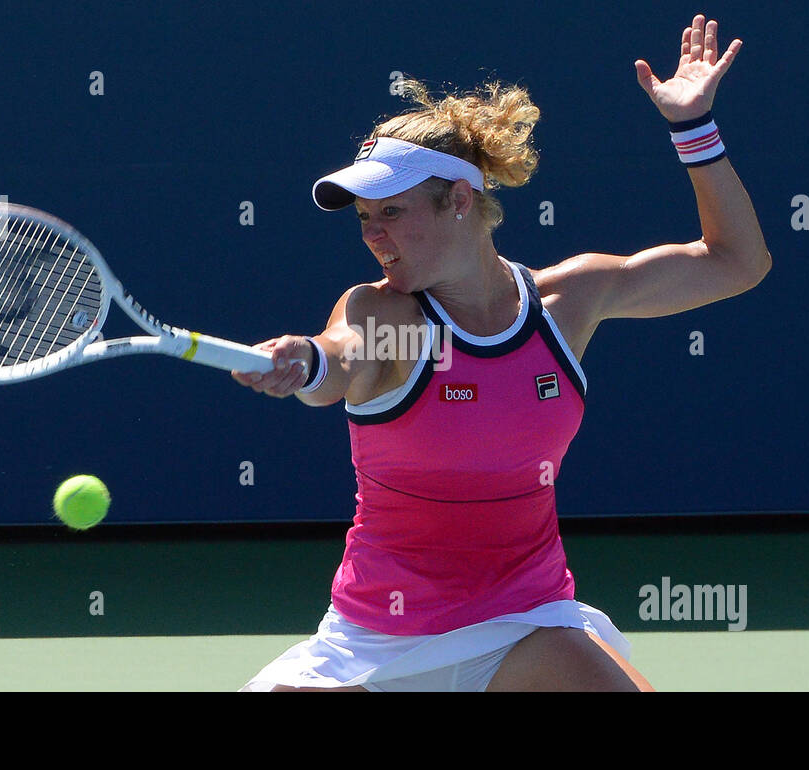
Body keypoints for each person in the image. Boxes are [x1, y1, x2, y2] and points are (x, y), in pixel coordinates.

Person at [234, 14, 769, 691]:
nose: (373, 235)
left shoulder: (569, 303)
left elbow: (736, 262)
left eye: (391, 212)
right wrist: (305, 361)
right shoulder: (383, 314)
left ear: (460, 199)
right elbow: (338, 360)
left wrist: (694, 127)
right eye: (364, 218)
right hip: (376, 643)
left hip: (527, 626)